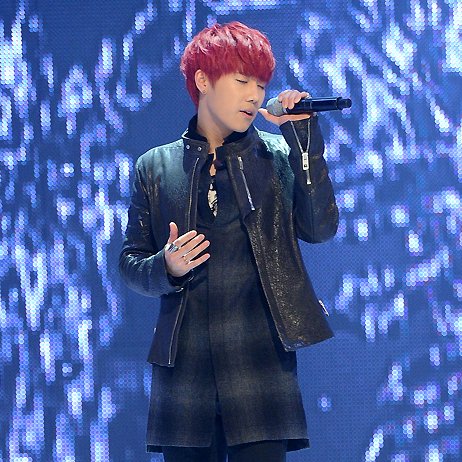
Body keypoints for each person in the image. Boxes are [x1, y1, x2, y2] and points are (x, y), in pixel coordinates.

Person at [119, 21, 338, 462]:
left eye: (261, 85)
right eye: (242, 81)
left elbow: (319, 228)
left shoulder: (278, 157)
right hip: (185, 370)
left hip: (259, 363)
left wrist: (304, 142)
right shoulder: (155, 167)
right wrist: (166, 266)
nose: (255, 96)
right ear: (203, 81)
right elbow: (129, 262)